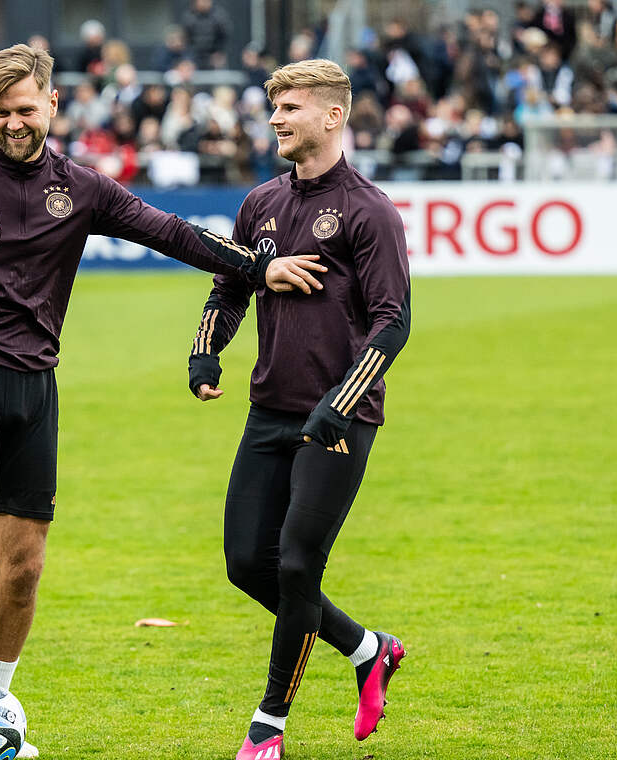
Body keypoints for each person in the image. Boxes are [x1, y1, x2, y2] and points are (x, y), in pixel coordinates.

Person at [0, 43, 322, 760]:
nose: (14, 124)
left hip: (35, 386)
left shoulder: (82, 188)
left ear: (53, 105)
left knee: (23, 570)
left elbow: (171, 232)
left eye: (26, 110)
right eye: (1, 113)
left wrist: (259, 265)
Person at [184, 59, 410, 760]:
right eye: (273, 106)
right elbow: (230, 288)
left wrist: (340, 404)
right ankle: (369, 649)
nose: (276, 118)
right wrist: (206, 351)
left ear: (333, 116)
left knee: (294, 568)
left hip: (338, 420)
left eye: (291, 107)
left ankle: (268, 729)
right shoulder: (260, 204)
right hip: (267, 411)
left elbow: (392, 322)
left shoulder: (369, 210)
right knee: (245, 563)